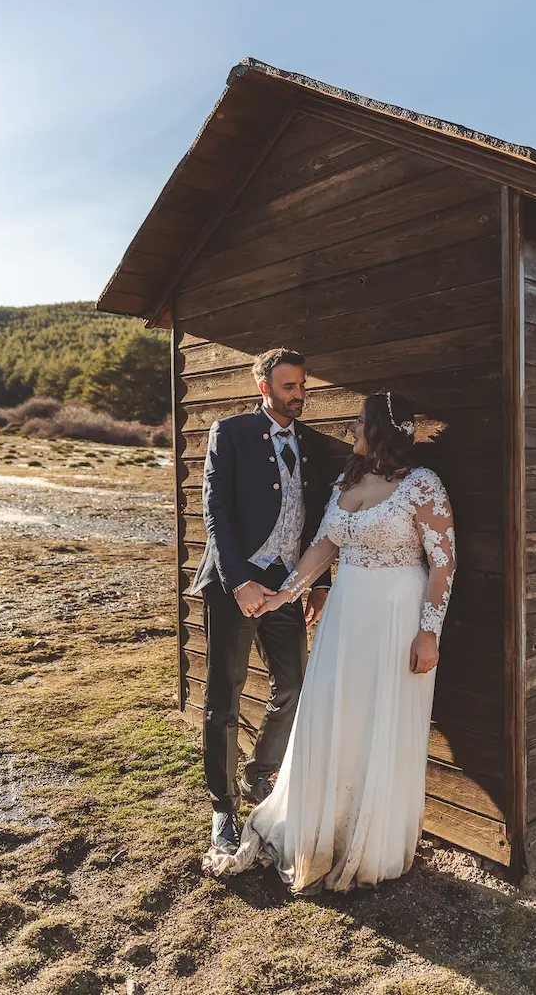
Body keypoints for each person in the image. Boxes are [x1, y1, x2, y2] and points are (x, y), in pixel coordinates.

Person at [202, 391, 456, 893]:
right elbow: (322, 548)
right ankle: (322, 824)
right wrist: (283, 597)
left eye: (357, 423)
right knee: (332, 713)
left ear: (380, 428)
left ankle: (370, 840)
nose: (349, 432)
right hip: (345, 614)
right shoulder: (349, 479)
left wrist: (429, 631)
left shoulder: (422, 485)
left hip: (396, 615)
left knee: (379, 720)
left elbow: (443, 564)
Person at [190, 348, 333, 856]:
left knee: (293, 686)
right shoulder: (229, 433)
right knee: (223, 701)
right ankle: (223, 808)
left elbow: (320, 522)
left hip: (288, 587)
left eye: (302, 385)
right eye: (289, 386)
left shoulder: (313, 444)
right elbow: (216, 511)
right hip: (237, 587)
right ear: (264, 388)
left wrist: (319, 584)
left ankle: (258, 775)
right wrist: (237, 582)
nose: (299, 395)